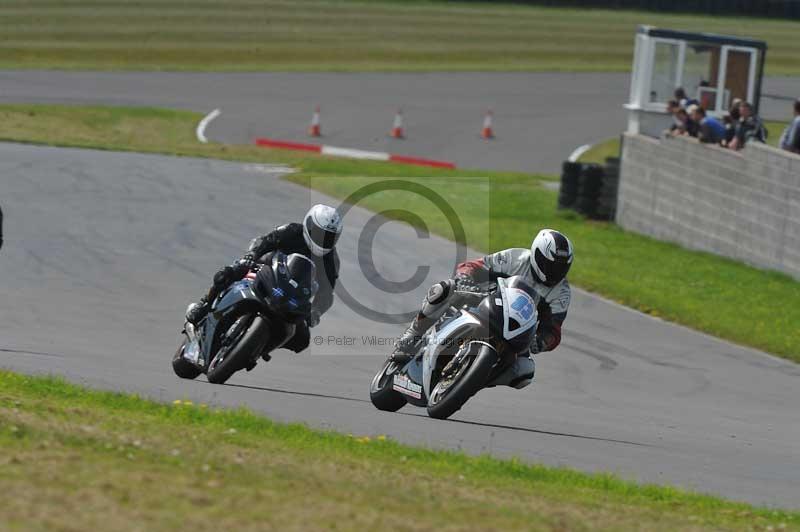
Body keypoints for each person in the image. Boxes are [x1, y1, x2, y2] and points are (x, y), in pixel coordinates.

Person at [391, 229, 574, 389]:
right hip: (486, 304)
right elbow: (473, 266)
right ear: (537, 255)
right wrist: (466, 278)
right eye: (551, 264)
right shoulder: (515, 258)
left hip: (517, 331)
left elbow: (554, 330)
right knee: (444, 289)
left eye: (561, 267)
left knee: (525, 372)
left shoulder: (562, 293)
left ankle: (473, 379)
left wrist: (542, 341)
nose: (555, 271)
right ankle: (412, 334)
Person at [185, 204, 343, 354]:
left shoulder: (331, 261)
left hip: (293, 295)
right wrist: (251, 256)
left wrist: (316, 313)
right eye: (319, 233)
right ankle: (204, 304)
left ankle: (259, 347)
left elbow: (326, 293)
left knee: (302, 340)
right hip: (266, 268)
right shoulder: (293, 230)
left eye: (329, 237)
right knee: (226, 274)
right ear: (309, 224)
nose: (323, 240)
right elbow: (265, 241)